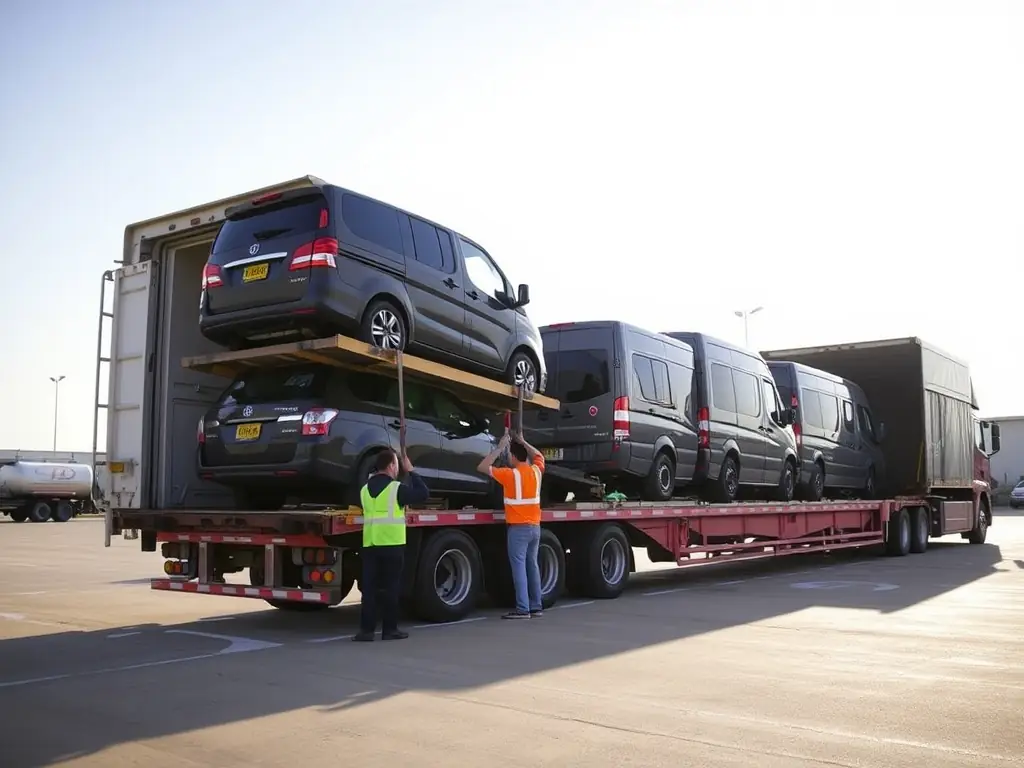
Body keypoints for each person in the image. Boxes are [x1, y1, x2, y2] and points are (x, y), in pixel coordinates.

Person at [353, 447, 429, 642]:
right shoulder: (396, 489)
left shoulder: (364, 490)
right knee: (391, 588)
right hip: (392, 545)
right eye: (396, 464)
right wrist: (411, 471)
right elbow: (423, 493)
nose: (398, 468)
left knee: (369, 590)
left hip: (370, 544)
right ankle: (390, 630)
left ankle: (366, 631)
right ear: (391, 466)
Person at [477, 429, 546, 619]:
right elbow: (539, 455)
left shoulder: (509, 475)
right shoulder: (535, 471)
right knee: (532, 566)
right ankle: (536, 606)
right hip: (535, 528)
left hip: (518, 529)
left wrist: (499, 448)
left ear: (514, 457)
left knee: (519, 568)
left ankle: (523, 609)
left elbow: (482, 467)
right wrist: (523, 441)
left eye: (509, 455)